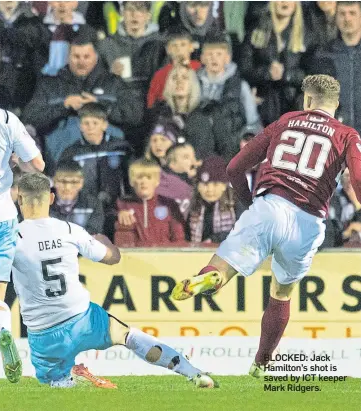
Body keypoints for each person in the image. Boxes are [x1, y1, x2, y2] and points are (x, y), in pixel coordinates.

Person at [171, 75, 361, 377]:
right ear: (335, 105)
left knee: (222, 268)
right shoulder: (347, 134)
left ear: (307, 100)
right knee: (281, 293)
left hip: (270, 207)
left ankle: (210, 278)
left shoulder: (285, 121)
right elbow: (359, 180)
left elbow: (235, 167)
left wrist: (248, 204)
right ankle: (261, 362)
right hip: (309, 222)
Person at [12, 172, 216, 388]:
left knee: (58, 387)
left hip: (42, 332)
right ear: (51, 198)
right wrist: (105, 241)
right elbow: (112, 258)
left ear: (20, 198)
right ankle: (193, 373)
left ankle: (68, 378)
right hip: (82, 319)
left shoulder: (10, 237)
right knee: (128, 336)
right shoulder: (69, 230)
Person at [22, 36, 144, 164]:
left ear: (96, 57)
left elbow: (135, 115)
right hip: (61, 164)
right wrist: (64, 106)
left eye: (86, 57)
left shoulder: (114, 83)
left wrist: (100, 106)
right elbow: (29, 118)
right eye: (76, 57)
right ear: (68, 57)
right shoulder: (50, 85)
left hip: (109, 161)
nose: (81, 62)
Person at [0, 106, 45, 383]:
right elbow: (38, 166)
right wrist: (14, 162)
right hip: (2, 217)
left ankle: (0, 330)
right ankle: (3, 331)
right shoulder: (5, 119)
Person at [240, 1, 313, 125]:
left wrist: (287, 75)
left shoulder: (308, 35)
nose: (284, 2)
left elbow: (314, 74)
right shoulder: (256, 31)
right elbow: (244, 68)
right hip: (263, 101)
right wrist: (267, 73)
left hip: (295, 102)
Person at [58, 103, 131, 208]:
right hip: (85, 207)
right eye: (86, 123)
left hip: (118, 208)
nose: (90, 128)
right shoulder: (71, 153)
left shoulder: (121, 148)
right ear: (80, 125)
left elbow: (131, 179)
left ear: (105, 125)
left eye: (95, 123)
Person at [310, 1, 361, 135]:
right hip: (337, 138)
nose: (347, 18)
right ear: (335, 17)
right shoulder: (323, 54)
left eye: (352, 13)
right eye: (342, 14)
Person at [115, 159, 186, 247]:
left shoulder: (168, 204)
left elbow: (179, 237)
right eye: (139, 178)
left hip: (164, 256)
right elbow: (121, 241)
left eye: (149, 178)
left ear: (156, 181)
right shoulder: (123, 205)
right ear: (132, 182)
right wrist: (119, 214)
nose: (143, 182)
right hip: (136, 257)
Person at [187, 156, 236, 244]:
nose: (210, 190)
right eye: (205, 184)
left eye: (215, 184)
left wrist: (214, 240)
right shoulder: (193, 205)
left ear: (224, 185)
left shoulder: (236, 204)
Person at [147, 30, 201, 108]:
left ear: (191, 47)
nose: (178, 49)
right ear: (168, 50)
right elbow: (151, 102)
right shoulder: (160, 74)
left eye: (183, 45)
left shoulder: (200, 69)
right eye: (174, 45)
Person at [51, 161, 105, 234]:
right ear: (54, 181)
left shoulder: (93, 205)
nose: (67, 187)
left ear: (81, 183)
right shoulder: (42, 204)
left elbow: (94, 234)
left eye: (74, 182)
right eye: (62, 181)